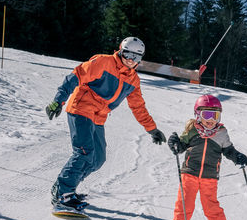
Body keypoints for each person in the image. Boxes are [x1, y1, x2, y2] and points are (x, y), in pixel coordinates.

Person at [46, 37, 166, 211]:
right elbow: (76, 76)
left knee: (98, 159)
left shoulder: (133, 81)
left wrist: (152, 129)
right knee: (84, 152)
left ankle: (66, 187)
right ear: (120, 51)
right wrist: (59, 100)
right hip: (81, 108)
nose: (131, 60)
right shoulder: (103, 62)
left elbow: (138, 106)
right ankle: (63, 194)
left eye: (136, 57)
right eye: (128, 54)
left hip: (98, 117)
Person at [166, 94, 247, 220]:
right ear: (198, 114)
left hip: (209, 176)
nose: (211, 119)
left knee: (211, 207)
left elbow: (229, 150)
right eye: (207, 115)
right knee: (184, 204)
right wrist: (175, 143)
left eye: (215, 115)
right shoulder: (192, 130)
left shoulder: (221, 133)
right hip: (189, 173)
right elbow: (181, 146)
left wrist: (238, 157)